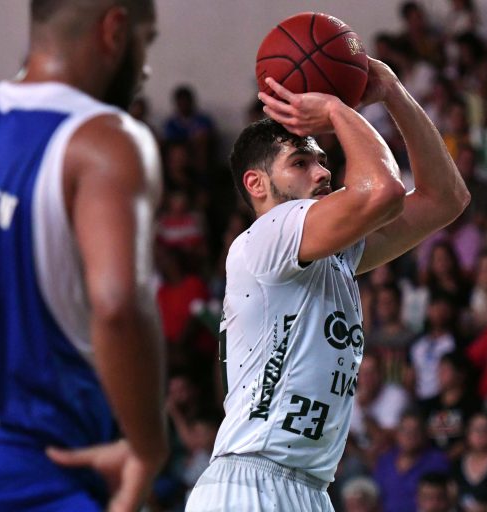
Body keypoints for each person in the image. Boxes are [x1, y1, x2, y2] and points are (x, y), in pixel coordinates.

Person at [185, 57, 469, 511]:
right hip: (249, 483)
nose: (322, 173)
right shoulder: (268, 235)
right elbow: (384, 191)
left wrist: (393, 92)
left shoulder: (335, 254)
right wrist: (338, 109)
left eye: (322, 160)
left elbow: (446, 199)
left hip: (309, 487)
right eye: (301, 162)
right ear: (256, 184)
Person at [0, 1, 167, 511]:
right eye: (146, 41)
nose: (147, 68)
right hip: (35, 469)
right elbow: (118, 305)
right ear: (115, 29)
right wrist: (147, 448)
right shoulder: (105, 141)